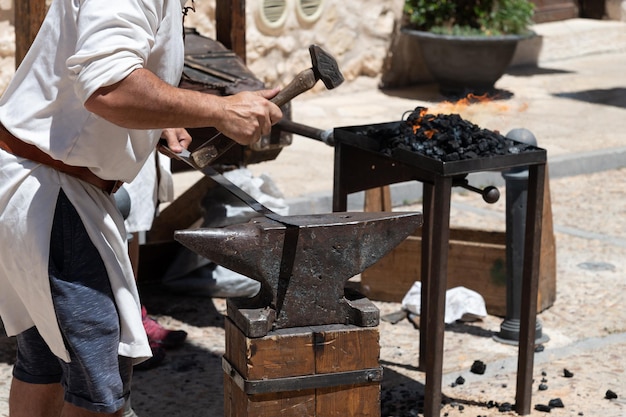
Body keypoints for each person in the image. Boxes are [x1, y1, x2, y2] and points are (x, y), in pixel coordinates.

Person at [0, 0, 283, 416]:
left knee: (46, 360)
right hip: (51, 193)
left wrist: (160, 114)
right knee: (99, 380)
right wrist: (220, 109)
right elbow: (109, 87)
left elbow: (113, 66)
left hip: (46, 181)